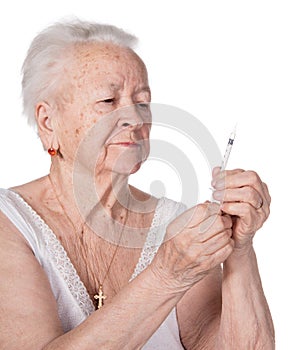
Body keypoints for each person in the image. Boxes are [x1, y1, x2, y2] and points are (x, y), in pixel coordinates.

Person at [0, 19, 274, 349]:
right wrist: (167, 275)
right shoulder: (9, 222)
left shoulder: (176, 227)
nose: (135, 117)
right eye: (108, 101)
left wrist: (240, 250)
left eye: (142, 101)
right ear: (48, 122)